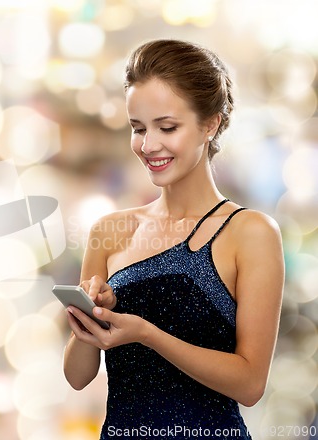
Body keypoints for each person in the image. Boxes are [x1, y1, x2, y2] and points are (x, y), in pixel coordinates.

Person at [62, 39, 284, 440]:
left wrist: (146, 333)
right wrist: (87, 320)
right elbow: (78, 377)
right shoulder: (108, 231)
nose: (148, 146)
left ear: (210, 124)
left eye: (167, 127)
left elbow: (251, 384)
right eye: (138, 128)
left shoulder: (249, 232)